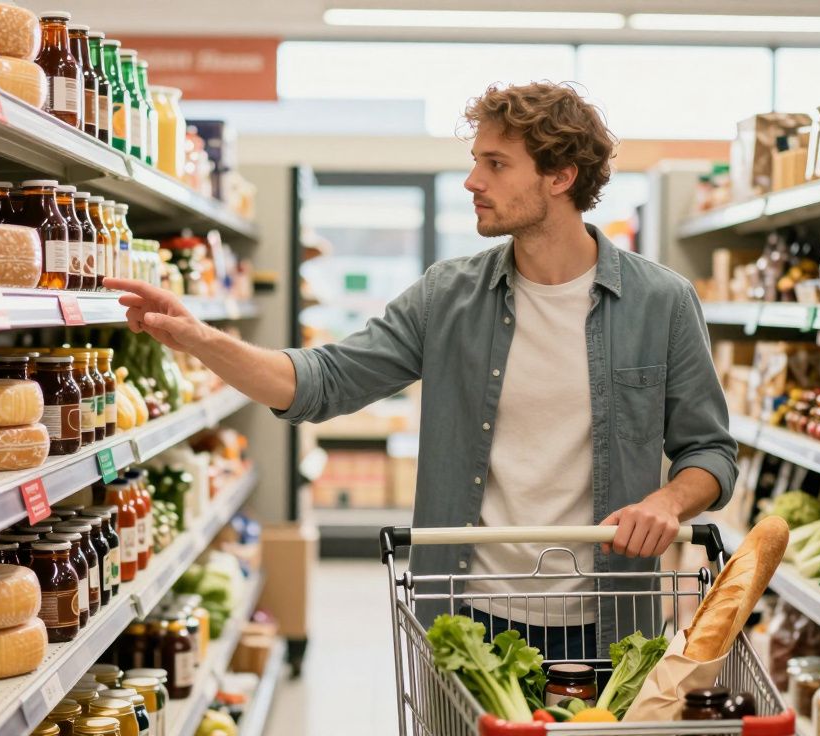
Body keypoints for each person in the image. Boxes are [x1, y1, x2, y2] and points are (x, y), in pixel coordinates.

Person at [105, 81, 737, 659]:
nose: (471, 181)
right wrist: (196, 339)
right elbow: (319, 381)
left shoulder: (662, 302)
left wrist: (668, 499)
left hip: (610, 619)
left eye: (495, 164)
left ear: (560, 177)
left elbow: (709, 451)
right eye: (475, 161)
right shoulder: (448, 296)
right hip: (467, 617)